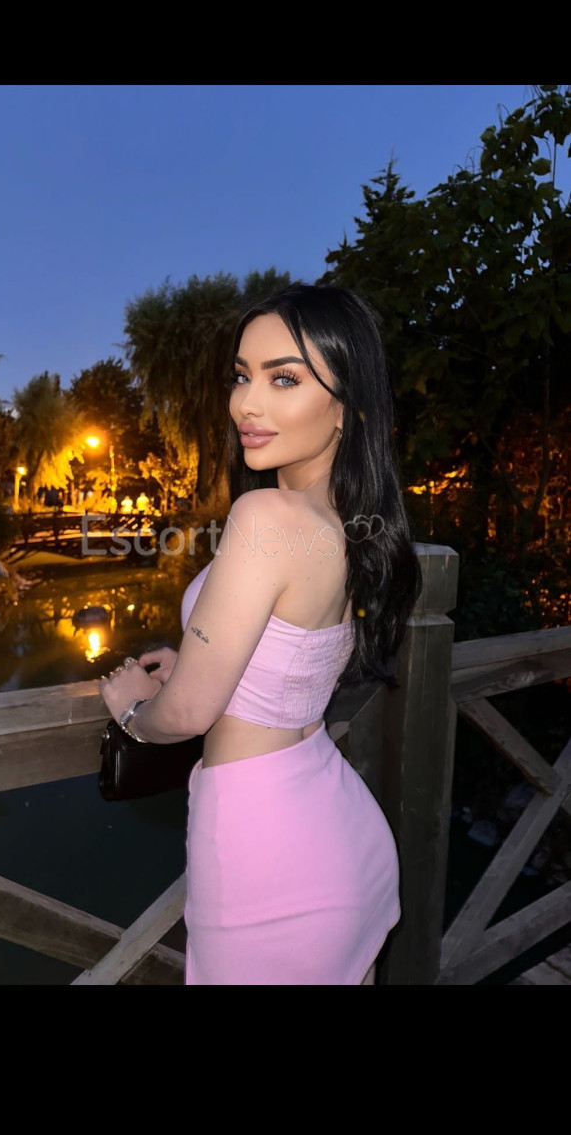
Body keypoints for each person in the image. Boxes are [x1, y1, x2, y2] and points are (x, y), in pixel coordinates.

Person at [99, 281, 421, 985]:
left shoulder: (266, 516)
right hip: (336, 826)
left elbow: (188, 713)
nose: (246, 403)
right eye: (242, 375)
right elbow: (292, 651)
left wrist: (132, 711)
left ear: (349, 406)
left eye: (284, 378)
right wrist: (195, 654)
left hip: (263, 845)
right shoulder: (346, 523)